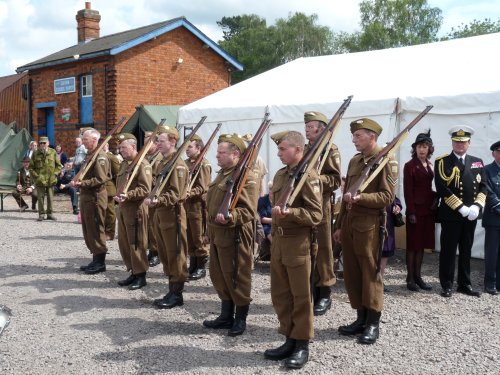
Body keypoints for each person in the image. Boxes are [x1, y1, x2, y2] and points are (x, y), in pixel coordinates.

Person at [333, 118, 397, 345]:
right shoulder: (354, 161)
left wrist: (362, 197)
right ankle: (360, 318)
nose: (353, 139)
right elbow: (346, 196)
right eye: (354, 135)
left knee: (370, 273)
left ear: (372, 136)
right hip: (350, 222)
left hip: (369, 225)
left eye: (358, 135)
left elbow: (387, 197)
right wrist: (339, 225)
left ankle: (372, 322)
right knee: (352, 273)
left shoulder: (385, 161)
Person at [264, 131, 322, 369]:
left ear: (298, 150)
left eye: (283, 149)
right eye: (278, 150)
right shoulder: (280, 175)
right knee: (280, 295)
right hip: (279, 243)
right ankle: (288, 338)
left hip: (298, 244)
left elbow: (316, 215)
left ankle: (302, 344)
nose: (279, 153)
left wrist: (292, 213)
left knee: (300, 297)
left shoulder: (308, 176)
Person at [202, 134, 259, 337]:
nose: (217, 156)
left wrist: (230, 216)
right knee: (219, 275)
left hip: (235, 234)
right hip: (218, 233)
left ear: (235, 154)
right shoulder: (223, 174)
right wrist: (208, 232)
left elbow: (248, 211)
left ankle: (240, 318)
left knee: (237, 276)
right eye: (217, 152)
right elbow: (212, 206)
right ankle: (226, 315)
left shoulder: (247, 177)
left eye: (221, 152)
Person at [435, 126, 487, 298]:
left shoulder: (477, 161)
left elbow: (483, 187)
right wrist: (461, 208)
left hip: (471, 214)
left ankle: (464, 284)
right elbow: (442, 188)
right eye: (457, 142)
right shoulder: (442, 162)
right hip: (451, 214)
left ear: (469, 143)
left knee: (466, 250)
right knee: (448, 250)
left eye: (463, 142)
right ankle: (447, 284)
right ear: (452, 142)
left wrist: (477, 206)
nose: (460, 145)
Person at [144, 127, 189, 309]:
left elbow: (177, 194)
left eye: (161, 141)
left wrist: (157, 200)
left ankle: (177, 294)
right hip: (161, 215)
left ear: (172, 142)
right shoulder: (163, 163)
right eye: (158, 141)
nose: (158, 144)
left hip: (173, 215)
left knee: (176, 254)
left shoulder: (178, 165)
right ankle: (171, 289)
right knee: (165, 253)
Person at [304, 111, 341, 316]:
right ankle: (312, 287)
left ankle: (325, 291)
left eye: (311, 127)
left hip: (322, 204)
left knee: (324, 248)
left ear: (322, 129)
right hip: (306, 205)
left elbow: (335, 180)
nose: (307, 130)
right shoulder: (307, 148)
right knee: (309, 247)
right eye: (306, 127)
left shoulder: (330, 149)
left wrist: (315, 179)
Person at [114, 133, 152, 290]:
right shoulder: (125, 163)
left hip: (135, 208)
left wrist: (128, 195)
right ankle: (133, 271)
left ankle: (141, 274)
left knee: (136, 242)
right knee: (125, 242)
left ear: (133, 147)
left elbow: (145, 189)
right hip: (123, 208)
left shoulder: (142, 164)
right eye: (120, 147)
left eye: (124, 147)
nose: (121, 150)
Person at [72, 129, 110, 275]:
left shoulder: (100, 156)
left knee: (96, 228)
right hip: (87, 197)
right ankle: (95, 259)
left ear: (94, 140)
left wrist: (82, 183)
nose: (83, 141)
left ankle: (100, 262)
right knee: (88, 229)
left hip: (95, 197)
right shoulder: (90, 155)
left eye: (86, 139)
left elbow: (101, 179)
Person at [403, 131, 436, 292]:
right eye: (419, 146)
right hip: (415, 210)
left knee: (422, 245)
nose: (421, 149)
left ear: (429, 148)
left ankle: (418, 276)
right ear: (415, 148)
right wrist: (411, 212)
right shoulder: (410, 165)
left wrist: (437, 198)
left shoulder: (430, 164)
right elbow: (408, 191)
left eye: (424, 146)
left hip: (428, 209)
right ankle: (410, 278)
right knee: (413, 246)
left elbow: (429, 188)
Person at [184, 134, 212, 280]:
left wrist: (188, 193)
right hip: (186, 205)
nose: (186, 150)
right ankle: (193, 263)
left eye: (189, 147)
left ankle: (201, 266)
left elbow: (203, 187)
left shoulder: (204, 165)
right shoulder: (186, 163)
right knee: (189, 236)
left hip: (197, 206)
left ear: (198, 148)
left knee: (198, 236)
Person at [29, 136, 62, 221]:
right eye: (41, 143)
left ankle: (50, 214)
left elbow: (58, 166)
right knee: (40, 198)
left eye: (44, 143)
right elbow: (31, 168)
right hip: (40, 180)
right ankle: (41, 214)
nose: (43, 144)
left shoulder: (53, 152)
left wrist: (55, 174)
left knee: (50, 198)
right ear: (39, 144)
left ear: (48, 143)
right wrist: (37, 176)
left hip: (51, 179)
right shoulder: (35, 153)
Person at [483, 140, 500, 295]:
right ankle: (490, 282)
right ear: (493, 153)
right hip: (494, 218)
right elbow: (487, 191)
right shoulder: (487, 170)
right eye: (498, 152)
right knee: (492, 252)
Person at [144, 130, 163, 267]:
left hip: (154, 195)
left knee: (153, 226)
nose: (145, 143)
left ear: (156, 143)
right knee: (148, 225)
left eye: (148, 141)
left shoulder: (159, 159)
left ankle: (156, 252)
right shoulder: (147, 157)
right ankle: (151, 249)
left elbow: (158, 178)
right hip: (146, 196)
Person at [380, 197, 402, 292]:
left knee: (385, 253)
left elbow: (394, 198)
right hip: (373, 221)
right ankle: (370, 281)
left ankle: (380, 280)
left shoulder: (389, 183)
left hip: (387, 223)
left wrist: (397, 206)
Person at [103, 142, 121, 241]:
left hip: (108, 188)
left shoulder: (111, 157)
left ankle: (110, 232)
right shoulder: (95, 156)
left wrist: (116, 188)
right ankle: (102, 231)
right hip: (98, 188)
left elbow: (118, 174)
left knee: (110, 211)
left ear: (107, 145)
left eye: (104, 145)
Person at [257, 181, 273, 261]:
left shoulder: (281, 200)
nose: (272, 191)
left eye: (274, 189)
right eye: (270, 189)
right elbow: (262, 219)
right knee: (273, 236)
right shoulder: (262, 200)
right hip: (266, 226)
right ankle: (276, 259)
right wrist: (275, 220)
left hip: (277, 225)